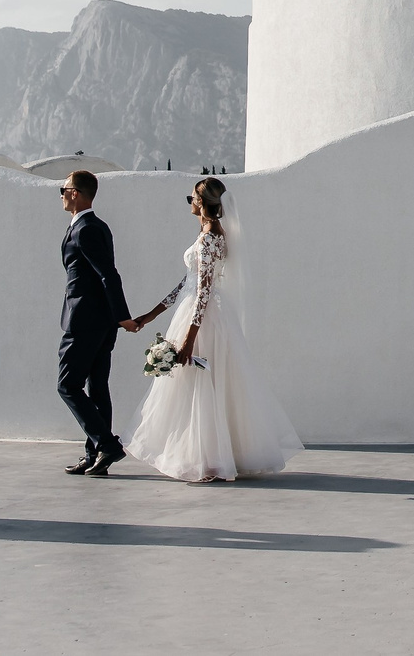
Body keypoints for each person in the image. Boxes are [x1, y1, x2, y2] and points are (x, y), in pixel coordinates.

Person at [118, 176, 302, 481]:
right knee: (209, 385)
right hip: (206, 315)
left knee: (202, 386)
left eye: (191, 198)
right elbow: (187, 283)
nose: (189, 203)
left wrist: (189, 339)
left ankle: (209, 460)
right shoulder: (213, 234)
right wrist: (151, 315)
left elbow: (202, 292)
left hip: (202, 321)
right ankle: (216, 456)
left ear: (202, 203)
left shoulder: (208, 239)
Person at [56, 169, 131, 477]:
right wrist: (117, 317)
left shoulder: (86, 228)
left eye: (63, 189)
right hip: (102, 322)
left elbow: (108, 274)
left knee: (68, 385)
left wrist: (123, 316)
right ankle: (94, 455)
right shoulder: (96, 225)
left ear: (76, 193)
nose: (61, 195)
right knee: (97, 387)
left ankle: (107, 445)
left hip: (85, 321)